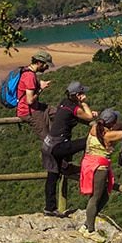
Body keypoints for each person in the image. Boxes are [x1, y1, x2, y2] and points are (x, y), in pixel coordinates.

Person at [40, 82, 97, 217]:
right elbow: (88, 117)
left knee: (52, 176)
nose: (85, 95)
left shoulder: (64, 102)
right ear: (77, 95)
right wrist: (84, 104)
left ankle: (50, 207)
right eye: (82, 93)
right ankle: (87, 167)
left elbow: (83, 114)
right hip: (59, 146)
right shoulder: (75, 108)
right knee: (89, 140)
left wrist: (86, 111)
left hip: (49, 144)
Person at [78, 108, 122, 242]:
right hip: (99, 167)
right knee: (96, 197)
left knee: (103, 196)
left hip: (90, 163)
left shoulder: (94, 128)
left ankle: (87, 225)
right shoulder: (107, 135)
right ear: (111, 123)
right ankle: (90, 230)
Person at [17, 49, 54, 139]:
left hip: (33, 107)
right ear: (39, 63)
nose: (47, 68)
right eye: (46, 65)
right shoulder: (30, 76)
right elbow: (29, 101)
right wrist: (41, 88)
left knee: (58, 112)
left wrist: (38, 84)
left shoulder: (26, 70)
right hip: (29, 112)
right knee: (48, 140)